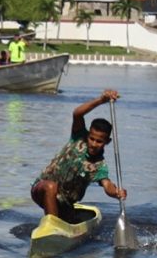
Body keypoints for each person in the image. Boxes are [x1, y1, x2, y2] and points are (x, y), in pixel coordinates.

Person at [31, 89, 127, 223]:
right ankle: (52, 225)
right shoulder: (78, 137)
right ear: (88, 135)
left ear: (107, 142)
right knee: (50, 186)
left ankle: (64, 220)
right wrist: (101, 100)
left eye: (99, 141)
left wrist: (116, 193)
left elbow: (107, 185)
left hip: (65, 203)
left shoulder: (99, 165)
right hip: (41, 189)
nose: (94, 144)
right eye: (92, 139)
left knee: (70, 218)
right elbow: (77, 114)